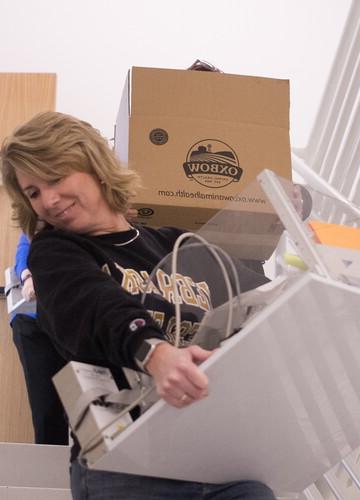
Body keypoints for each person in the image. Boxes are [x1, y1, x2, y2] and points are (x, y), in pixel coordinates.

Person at [1, 111, 276, 500]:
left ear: (94, 166)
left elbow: (262, 298)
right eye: (32, 193)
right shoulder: (53, 252)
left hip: (215, 459)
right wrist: (155, 352)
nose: (47, 200)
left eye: (56, 178)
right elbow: (96, 305)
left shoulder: (177, 245)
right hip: (124, 463)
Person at [10, 232, 68, 445]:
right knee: (46, 408)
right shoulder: (37, 224)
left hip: (74, 322)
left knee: (88, 404)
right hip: (34, 322)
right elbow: (23, 252)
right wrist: (28, 277)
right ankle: (51, 474)